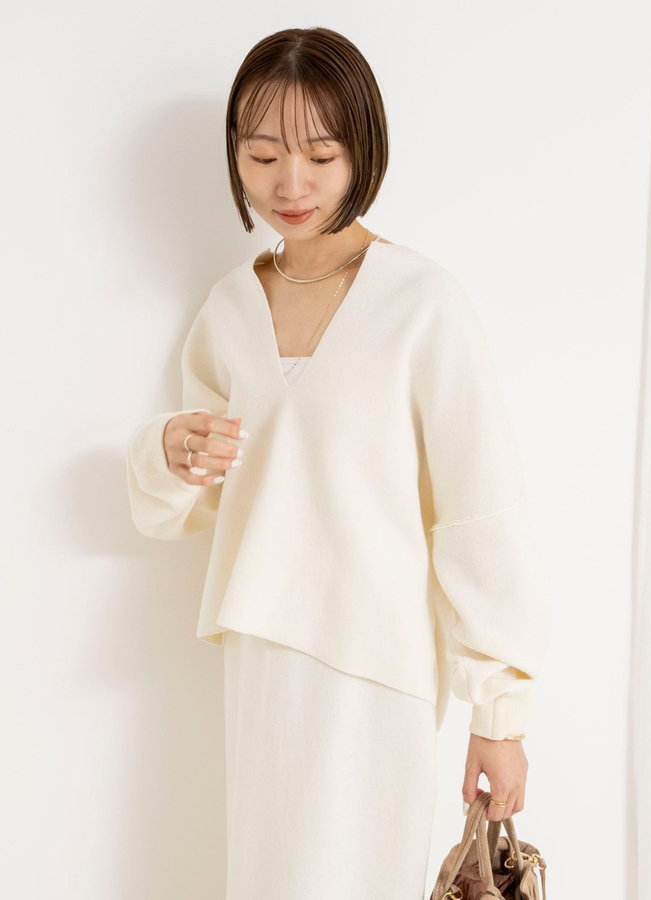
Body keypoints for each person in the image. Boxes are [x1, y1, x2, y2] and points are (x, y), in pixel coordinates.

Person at [125, 26, 550, 899]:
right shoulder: (229, 310)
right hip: (262, 655)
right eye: (262, 155)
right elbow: (193, 501)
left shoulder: (421, 303)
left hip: (376, 665)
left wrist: (499, 713)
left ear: (363, 149)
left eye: (320, 155)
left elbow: (478, 511)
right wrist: (165, 450)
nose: (290, 184)